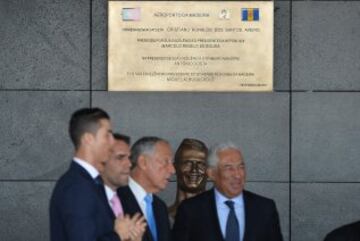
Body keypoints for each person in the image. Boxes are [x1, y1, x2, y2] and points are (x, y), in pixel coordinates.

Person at [50, 108, 145, 241]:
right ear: (88, 139)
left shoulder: (92, 183)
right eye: (107, 135)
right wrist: (118, 235)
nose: (112, 142)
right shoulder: (78, 187)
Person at [172, 142, 283, 241]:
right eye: (229, 168)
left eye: (241, 167)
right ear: (211, 174)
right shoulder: (191, 210)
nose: (237, 175)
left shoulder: (265, 208)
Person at [117, 136, 175, 241]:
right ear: (143, 162)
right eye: (165, 161)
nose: (172, 170)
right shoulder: (115, 199)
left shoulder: (160, 207)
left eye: (172, 163)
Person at [168, 138, 208, 219]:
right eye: (187, 163)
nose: (194, 170)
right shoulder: (161, 218)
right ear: (174, 167)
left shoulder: (220, 217)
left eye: (201, 164)